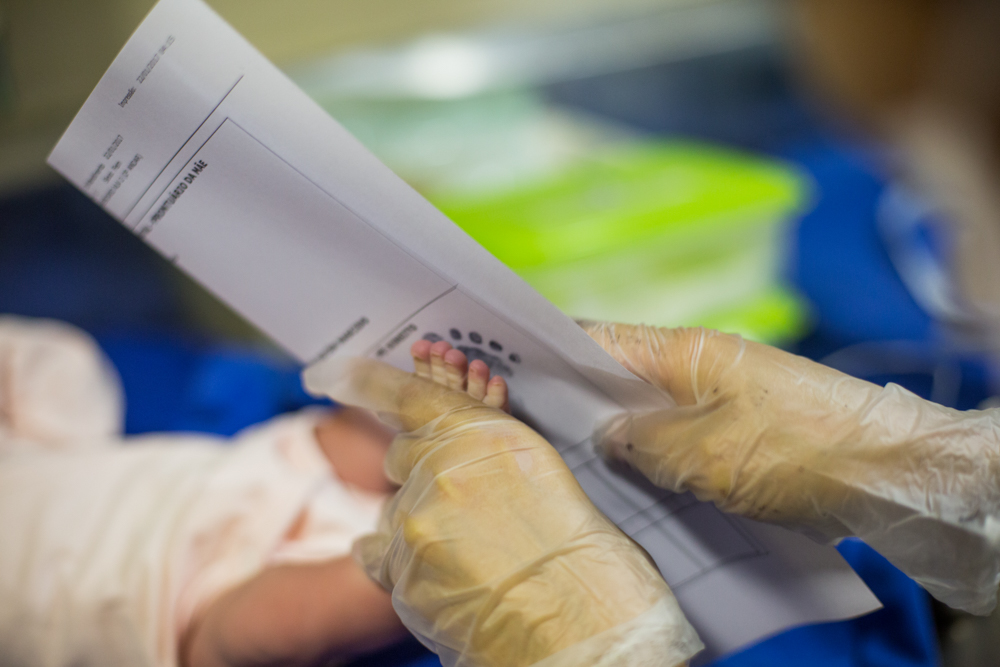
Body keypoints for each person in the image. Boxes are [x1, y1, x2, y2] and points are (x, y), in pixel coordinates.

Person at [0, 315, 515, 667]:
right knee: (265, 626)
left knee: (357, 434)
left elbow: (46, 369)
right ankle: (432, 558)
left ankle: (439, 521)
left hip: (237, 482)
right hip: (161, 605)